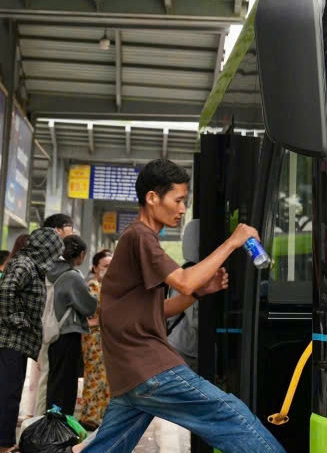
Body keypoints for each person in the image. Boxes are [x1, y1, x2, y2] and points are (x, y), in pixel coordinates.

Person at [80, 158, 284, 453]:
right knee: (229, 414)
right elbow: (185, 281)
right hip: (149, 367)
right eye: (177, 200)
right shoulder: (140, 237)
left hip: (130, 375)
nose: (182, 208)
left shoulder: (139, 240)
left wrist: (199, 293)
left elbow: (158, 310)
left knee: (107, 448)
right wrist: (232, 242)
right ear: (153, 198)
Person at [0, 226, 64, 453]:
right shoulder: (25, 264)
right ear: (46, 250)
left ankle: (6, 443)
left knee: (10, 393)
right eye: (54, 253)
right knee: (4, 393)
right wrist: (17, 319)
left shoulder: (31, 265)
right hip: (6, 338)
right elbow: (7, 290)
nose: (55, 259)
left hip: (12, 340)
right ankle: (3, 445)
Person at [29, 214, 78, 418]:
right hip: (48, 326)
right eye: (69, 228)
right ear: (57, 230)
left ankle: (40, 419)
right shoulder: (52, 262)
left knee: (45, 374)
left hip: (44, 324)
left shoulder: (44, 259)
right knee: (47, 375)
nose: (72, 233)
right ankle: (41, 422)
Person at [46, 235, 98, 416]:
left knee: (55, 380)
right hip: (68, 334)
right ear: (81, 254)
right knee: (67, 383)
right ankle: (61, 421)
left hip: (53, 332)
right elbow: (89, 305)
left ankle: (52, 417)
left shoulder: (50, 271)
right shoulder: (73, 276)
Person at [75, 249, 113, 429]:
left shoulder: (110, 286)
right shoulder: (92, 286)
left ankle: (101, 416)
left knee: (106, 378)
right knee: (94, 377)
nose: (109, 269)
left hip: (107, 338)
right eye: (105, 265)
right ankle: (90, 417)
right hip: (94, 339)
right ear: (95, 267)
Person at [165, 222, 200, 370]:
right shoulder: (193, 273)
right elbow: (195, 321)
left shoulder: (185, 270)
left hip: (181, 345)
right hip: (183, 348)